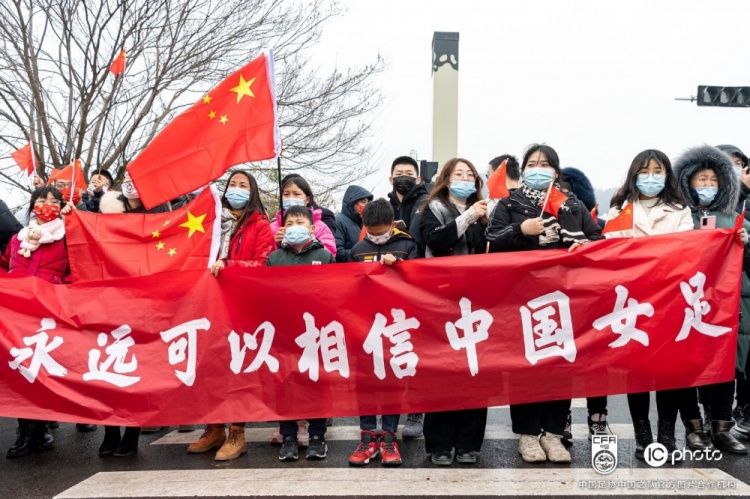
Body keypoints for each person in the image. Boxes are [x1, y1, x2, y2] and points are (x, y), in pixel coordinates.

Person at [485, 144, 601, 464]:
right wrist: (520, 230)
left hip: (563, 298)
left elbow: (598, 242)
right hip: (522, 300)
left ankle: (553, 434)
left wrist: (582, 244)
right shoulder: (509, 204)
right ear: (523, 171)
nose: (539, 168)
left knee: (559, 368)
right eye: (533, 164)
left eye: (545, 164)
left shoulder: (571, 204)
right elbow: (493, 242)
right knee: (526, 368)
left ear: (555, 171)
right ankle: (527, 435)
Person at [601, 149, 694, 461]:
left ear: (667, 175)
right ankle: (643, 435)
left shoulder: (680, 209)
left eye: (658, 170)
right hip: (632, 300)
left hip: (669, 298)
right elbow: (610, 251)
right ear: (634, 174)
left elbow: (685, 250)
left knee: (669, 371)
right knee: (637, 372)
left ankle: (667, 435)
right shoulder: (620, 208)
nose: (651, 177)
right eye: (645, 170)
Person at [186, 170, 275, 460]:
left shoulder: (260, 226)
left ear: (253, 193)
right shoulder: (208, 222)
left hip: (241, 307)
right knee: (208, 367)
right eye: (232, 185)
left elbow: (264, 263)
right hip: (206, 305)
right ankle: (214, 428)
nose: (236, 190)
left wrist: (230, 266)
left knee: (237, 370)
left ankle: (237, 431)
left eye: (243, 186)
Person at [673, 144, 749, 455]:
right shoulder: (676, 216)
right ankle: (694, 427)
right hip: (681, 304)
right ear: (687, 181)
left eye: (713, 180)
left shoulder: (735, 218)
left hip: (724, 306)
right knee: (683, 368)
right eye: (700, 179)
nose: (706, 185)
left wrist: (747, 243)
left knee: (724, 366)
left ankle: (721, 426)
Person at [418, 157, 488, 466]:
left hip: (475, 303)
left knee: (475, 371)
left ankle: (469, 443)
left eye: (470, 174)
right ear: (446, 179)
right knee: (442, 372)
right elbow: (437, 240)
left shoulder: (485, 213)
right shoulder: (430, 210)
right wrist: (469, 216)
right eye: (458, 173)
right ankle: (440, 443)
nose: (465, 178)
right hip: (439, 301)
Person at [347, 199, 418, 466]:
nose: (376, 237)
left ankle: (389, 436)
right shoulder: (357, 249)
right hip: (364, 327)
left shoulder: (407, 245)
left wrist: (399, 267)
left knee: (392, 382)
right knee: (365, 382)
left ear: (392, 224)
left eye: (381, 232)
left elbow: (420, 280)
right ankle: (367, 436)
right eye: (372, 232)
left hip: (396, 327)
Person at [1, 187, 68, 458]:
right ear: (32, 205)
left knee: (41, 370)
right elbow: (6, 264)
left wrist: (58, 290)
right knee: (20, 371)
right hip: (17, 313)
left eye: (54, 201)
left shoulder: (67, 237)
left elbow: (78, 270)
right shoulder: (18, 239)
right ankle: (25, 430)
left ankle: (42, 429)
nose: (47, 205)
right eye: (41, 200)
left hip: (48, 312)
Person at [267, 205, 334, 461]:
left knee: (316, 383)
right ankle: (289, 437)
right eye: (290, 222)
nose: (296, 226)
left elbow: (333, 291)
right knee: (286, 385)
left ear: (312, 227)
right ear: (283, 228)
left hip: (315, 332)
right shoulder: (274, 259)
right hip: (284, 332)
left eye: (300, 222)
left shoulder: (325, 256)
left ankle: (317, 436)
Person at [386, 156, 428, 436]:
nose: (404, 177)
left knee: (417, 351)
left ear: (418, 178)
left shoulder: (427, 204)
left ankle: (416, 412)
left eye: (409, 173)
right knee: (391, 348)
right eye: (399, 173)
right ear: (390, 179)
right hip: (389, 288)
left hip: (420, 284)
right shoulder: (383, 206)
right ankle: (390, 410)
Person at [270, 175, 336, 258]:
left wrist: (307, 241)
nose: (291, 198)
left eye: (296, 194)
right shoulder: (272, 228)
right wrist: (276, 244)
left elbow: (330, 254)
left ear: (307, 199)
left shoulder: (320, 227)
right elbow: (266, 258)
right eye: (286, 194)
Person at [99, 172, 171, 214]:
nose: (129, 180)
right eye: (127, 176)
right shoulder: (108, 206)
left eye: (135, 177)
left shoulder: (159, 208)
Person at [335, 185, 373, 262]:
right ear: (352, 203)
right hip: (347, 270)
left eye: (368, 202)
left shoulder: (368, 222)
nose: (367, 205)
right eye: (363, 202)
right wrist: (361, 254)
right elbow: (338, 252)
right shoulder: (338, 221)